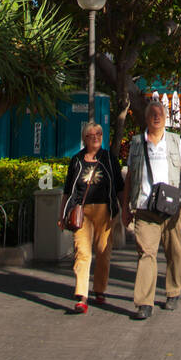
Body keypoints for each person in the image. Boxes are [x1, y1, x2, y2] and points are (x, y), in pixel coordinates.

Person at [121, 100, 181, 319]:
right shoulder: (137, 143)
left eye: (160, 113)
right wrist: (126, 207)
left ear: (166, 118)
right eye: (152, 114)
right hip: (145, 209)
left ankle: (173, 291)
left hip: (172, 208)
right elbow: (130, 178)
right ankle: (144, 303)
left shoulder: (175, 141)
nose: (156, 117)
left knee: (174, 252)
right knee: (146, 254)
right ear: (146, 118)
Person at [59, 122, 125, 314]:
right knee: (83, 252)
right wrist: (62, 213)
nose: (96, 137)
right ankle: (82, 295)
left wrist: (126, 209)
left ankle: (99, 289)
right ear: (84, 139)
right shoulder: (77, 160)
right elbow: (67, 190)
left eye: (99, 134)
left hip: (105, 210)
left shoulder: (109, 159)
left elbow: (119, 186)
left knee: (103, 251)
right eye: (91, 134)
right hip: (81, 212)